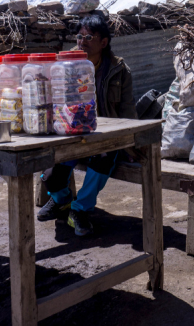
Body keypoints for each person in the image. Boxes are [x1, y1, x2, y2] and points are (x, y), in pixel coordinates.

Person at [37, 13, 136, 236]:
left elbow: (127, 109)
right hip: (71, 134)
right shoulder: (65, 64)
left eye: (89, 37)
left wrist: (131, 143)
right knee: (50, 176)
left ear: (103, 43)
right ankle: (61, 200)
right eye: (80, 36)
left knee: (104, 159)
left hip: (106, 139)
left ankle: (79, 209)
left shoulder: (118, 70)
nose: (82, 41)